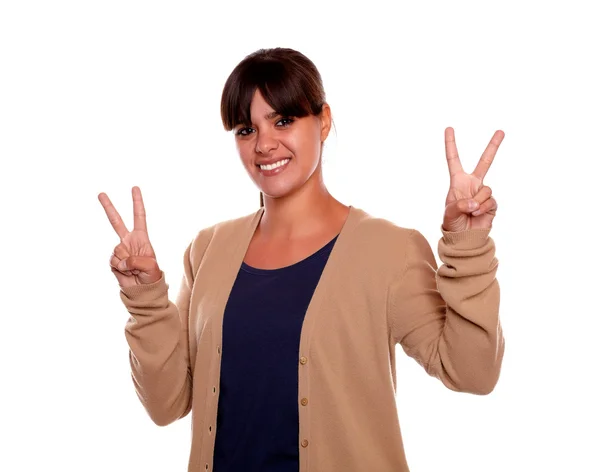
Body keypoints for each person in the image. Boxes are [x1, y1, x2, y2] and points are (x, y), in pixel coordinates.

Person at [98, 47, 505, 472]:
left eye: (284, 120)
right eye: (245, 129)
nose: (264, 144)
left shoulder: (388, 251)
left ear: (324, 120)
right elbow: (166, 405)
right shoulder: (207, 249)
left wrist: (467, 246)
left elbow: (473, 373)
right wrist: (144, 298)